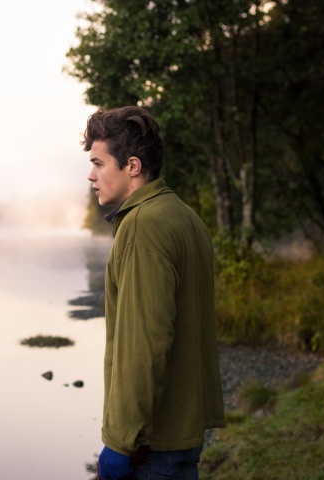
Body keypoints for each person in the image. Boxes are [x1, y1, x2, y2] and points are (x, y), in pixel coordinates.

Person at [84, 106, 226, 480]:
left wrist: (120, 442)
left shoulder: (143, 226)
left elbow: (146, 342)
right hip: (183, 431)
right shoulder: (184, 217)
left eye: (99, 163)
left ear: (132, 166)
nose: (91, 175)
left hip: (150, 444)